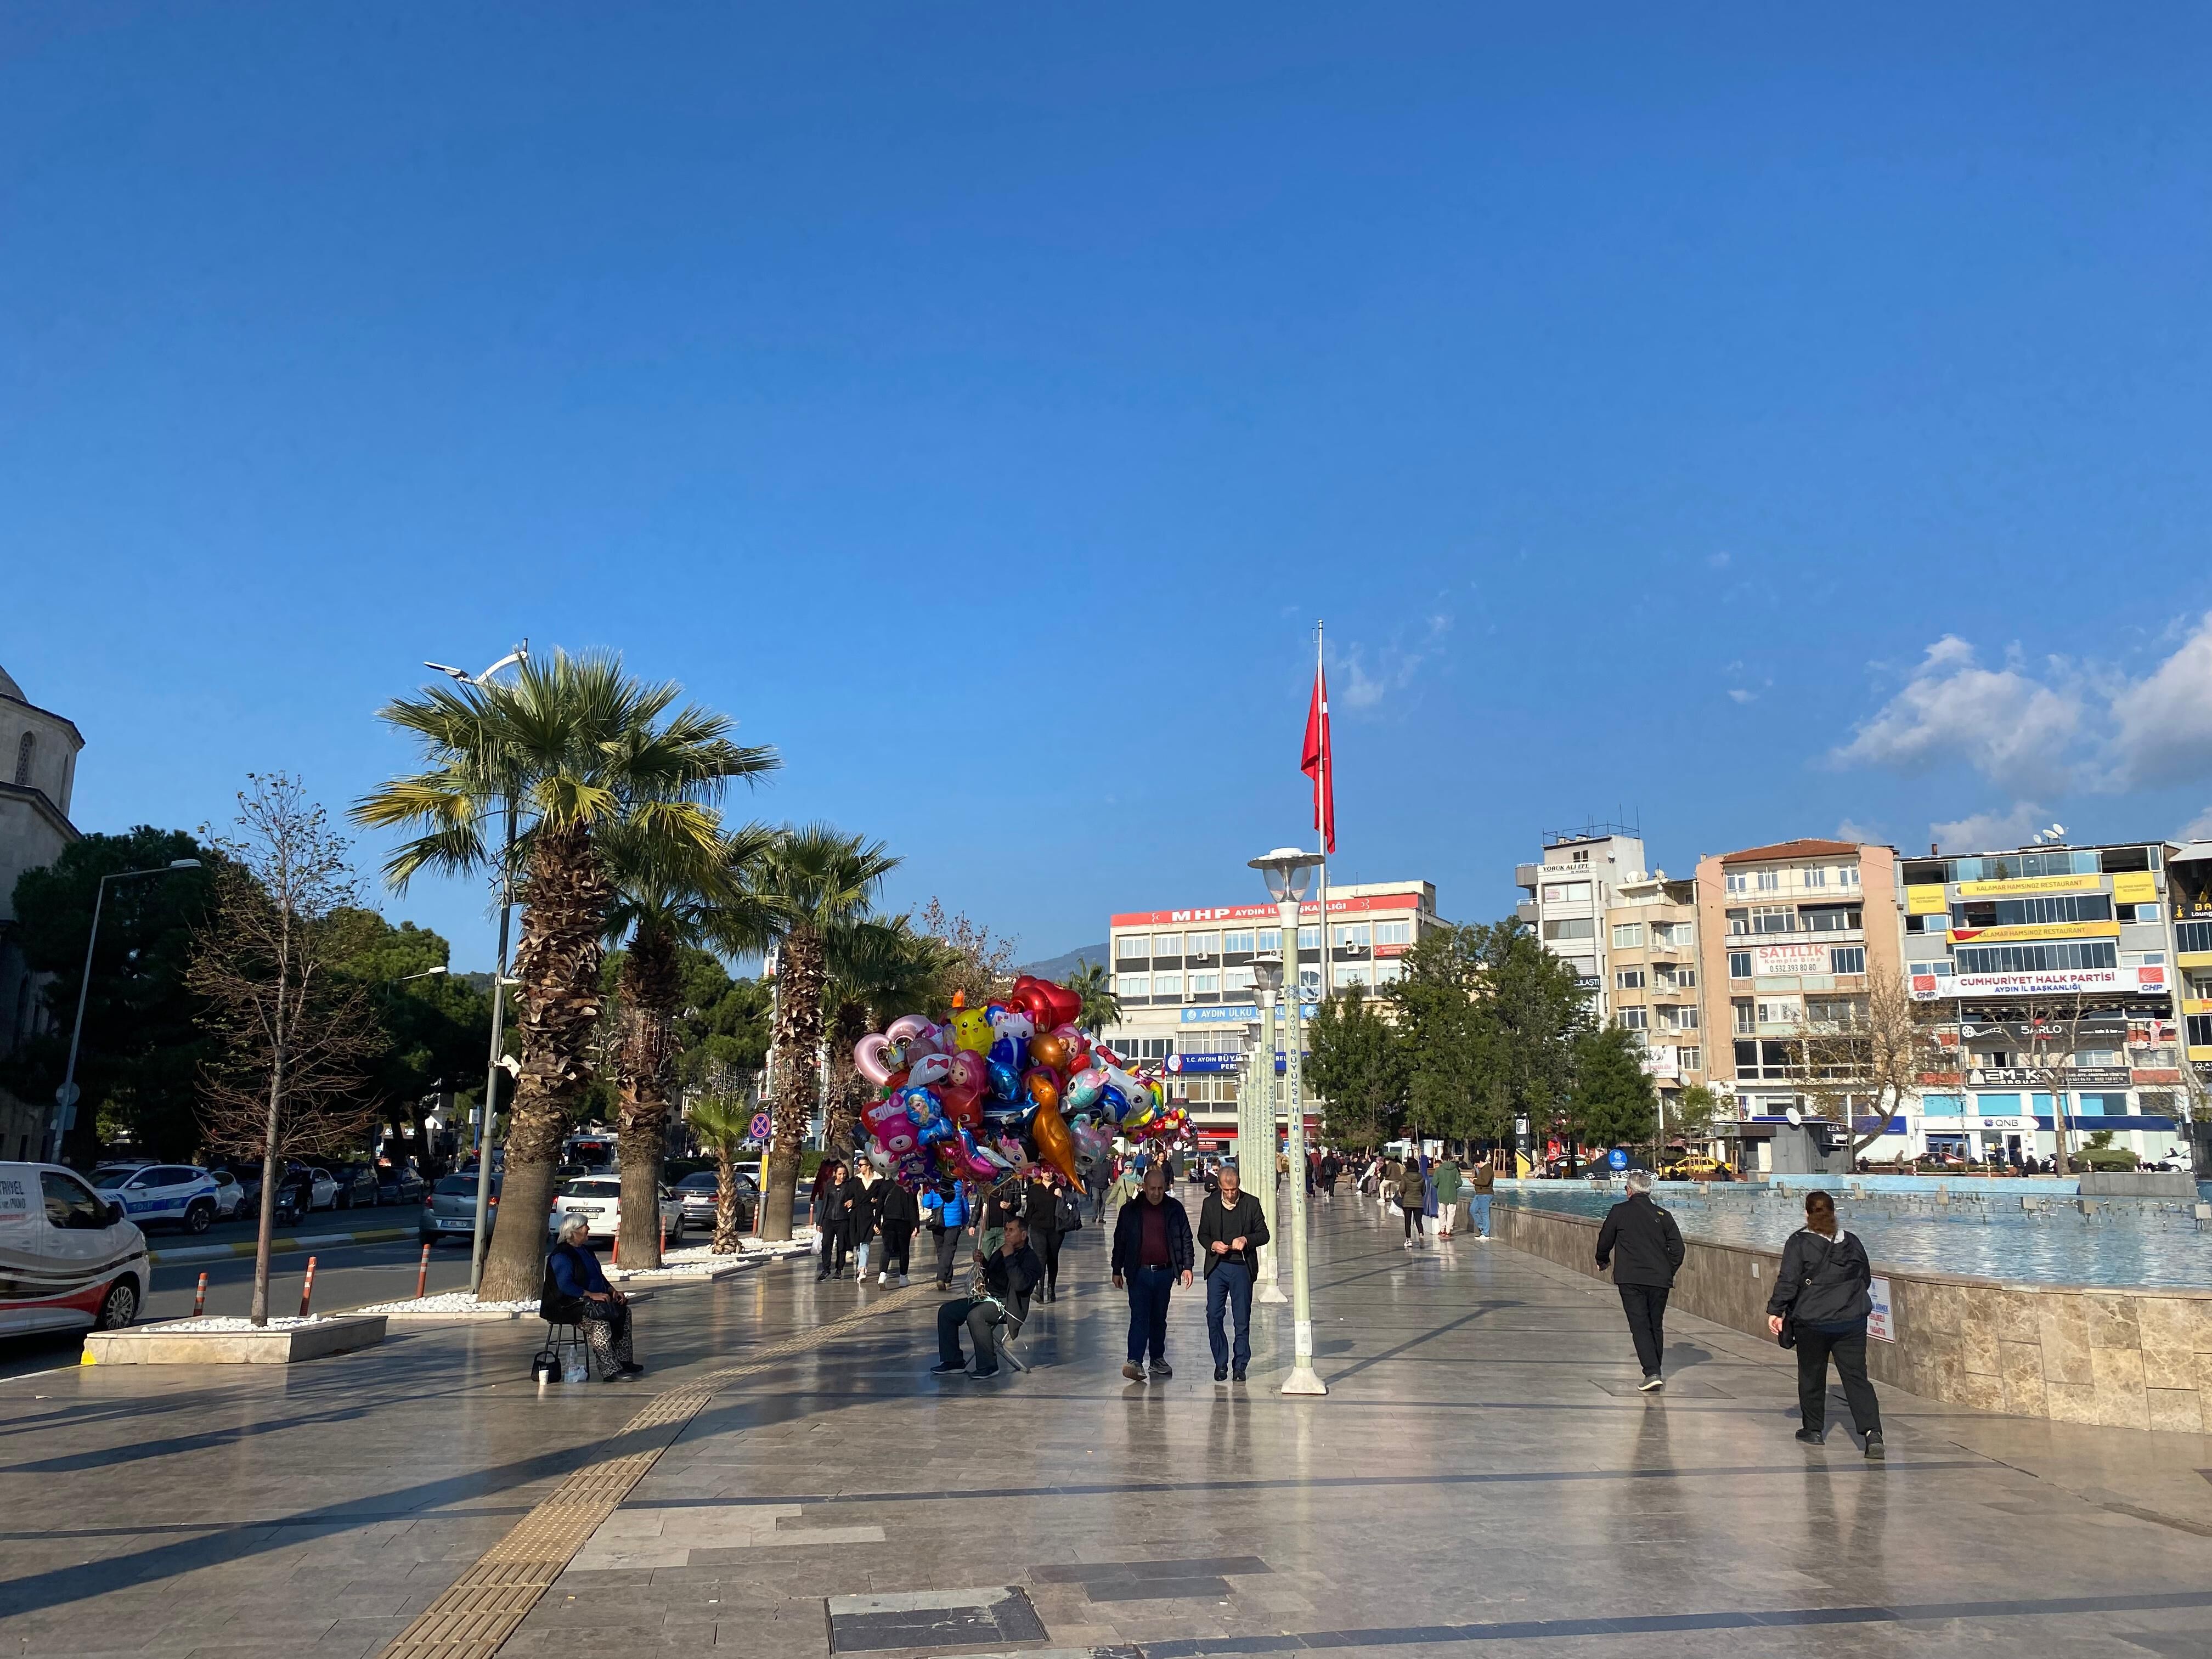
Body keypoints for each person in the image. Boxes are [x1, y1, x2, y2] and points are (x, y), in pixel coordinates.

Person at [1767, 1190, 1884, 1459]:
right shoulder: (1851, 1241)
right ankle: (1873, 1433)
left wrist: (1776, 1311)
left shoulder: (1798, 1242)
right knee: (1856, 1377)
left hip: (1813, 1321)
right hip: (1851, 1320)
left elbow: (1788, 1280)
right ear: (1834, 1212)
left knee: (1812, 1374)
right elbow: (1864, 1277)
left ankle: (1814, 1430)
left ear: (1807, 1214)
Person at [1594, 1169, 1684, 1391]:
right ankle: (1656, 1370)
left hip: (1631, 1278)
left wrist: (1602, 1260)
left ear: (1629, 1191)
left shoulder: (1619, 1212)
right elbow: (1678, 1249)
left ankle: (1652, 1372)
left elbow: (1605, 1239)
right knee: (1655, 1324)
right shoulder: (1663, 1215)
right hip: (1659, 1279)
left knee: (1640, 1325)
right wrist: (1667, 1270)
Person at [930, 1215, 1042, 1379]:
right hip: (988, 1297)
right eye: (1006, 1230)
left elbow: (1020, 1285)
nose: (1007, 1234)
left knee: (976, 1316)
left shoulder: (1031, 1259)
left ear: (1024, 1235)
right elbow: (991, 1273)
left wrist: (1010, 1257)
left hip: (1009, 1305)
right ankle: (953, 1361)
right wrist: (982, 1261)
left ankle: (988, 1365)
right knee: (947, 1311)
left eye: (1012, 1231)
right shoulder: (1002, 1251)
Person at [1110, 1161, 1193, 1381]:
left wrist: (1187, 1267)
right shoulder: (1130, 1211)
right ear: (1144, 1188)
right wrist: (1116, 1269)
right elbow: (1120, 1241)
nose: (1156, 1193)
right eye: (1152, 1189)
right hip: (1139, 1273)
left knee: (1159, 1318)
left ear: (1165, 1187)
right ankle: (1135, 1361)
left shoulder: (1175, 1209)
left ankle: (1157, 1359)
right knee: (1139, 1316)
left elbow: (1186, 1238)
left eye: (1160, 1189)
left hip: (1165, 1273)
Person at [1196, 1160, 1269, 1383]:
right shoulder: (1209, 1205)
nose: (1230, 1194)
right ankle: (1220, 1363)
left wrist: (1246, 1240)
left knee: (1242, 1319)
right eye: (1226, 1190)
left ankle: (1240, 1365)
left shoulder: (1251, 1204)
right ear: (1219, 1186)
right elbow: (1202, 1234)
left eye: (1234, 1189)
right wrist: (1212, 1245)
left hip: (1241, 1268)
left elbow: (1264, 1234)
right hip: (1218, 1267)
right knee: (1214, 1315)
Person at [546, 1214, 642, 1382]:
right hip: (571, 1305)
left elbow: (598, 1276)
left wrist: (612, 1290)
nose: (588, 1229)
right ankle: (610, 1370)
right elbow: (565, 1286)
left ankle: (624, 1361)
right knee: (600, 1323)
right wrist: (591, 1295)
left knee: (624, 1312)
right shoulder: (562, 1255)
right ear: (573, 1232)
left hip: (593, 1302)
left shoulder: (586, 1250)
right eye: (585, 1226)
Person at [1020, 1169, 1064, 1304]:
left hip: (1055, 1229)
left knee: (1052, 1258)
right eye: (1045, 1170)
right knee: (1040, 1257)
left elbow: (1071, 1204)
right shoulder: (1034, 1189)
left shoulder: (1059, 1187)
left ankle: (1051, 1288)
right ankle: (1039, 1289)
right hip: (1037, 1228)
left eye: (1051, 1171)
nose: (1048, 1173)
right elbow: (1029, 1210)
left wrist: (1062, 1196)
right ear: (1041, 1173)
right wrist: (1023, 1227)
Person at [877, 1175, 919, 1286]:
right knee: (904, 1250)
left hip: (888, 1220)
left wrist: (877, 1222)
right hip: (904, 1221)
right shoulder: (908, 1185)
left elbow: (880, 1204)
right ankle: (903, 1278)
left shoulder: (886, 1184)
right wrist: (915, 1225)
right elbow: (912, 1205)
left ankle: (882, 1275)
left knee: (886, 1249)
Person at [927, 1180, 969, 1290]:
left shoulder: (934, 1184)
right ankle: (942, 1277)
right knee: (949, 1251)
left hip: (938, 1222)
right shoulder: (960, 1185)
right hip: (954, 1222)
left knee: (941, 1251)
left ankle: (947, 1278)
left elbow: (926, 1204)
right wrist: (965, 1221)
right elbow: (964, 1205)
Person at [845, 1160, 879, 1282]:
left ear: (869, 1166)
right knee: (859, 1245)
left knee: (866, 1243)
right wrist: (852, 1202)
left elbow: (882, 1198)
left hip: (870, 1215)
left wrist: (876, 1202)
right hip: (856, 1215)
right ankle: (861, 1268)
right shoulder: (855, 1181)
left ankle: (863, 1269)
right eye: (858, 1165)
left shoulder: (878, 1181)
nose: (859, 1167)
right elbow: (849, 1195)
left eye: (861, 1165)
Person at [815, 1159, 850, 1280]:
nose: (842, 1176)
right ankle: (826, 1269)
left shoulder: (850, 1185)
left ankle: (839, 1269)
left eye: (844, 1174)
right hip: (829, 1219)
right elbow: (825, 1203)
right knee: (826, 1244)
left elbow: (856, 1197)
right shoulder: (830, 1185)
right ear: (835, 1173)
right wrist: (820, 1221)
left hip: (843, 1219)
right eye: (840, 1174)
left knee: (842, 1245)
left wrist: (853, 1201)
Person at [1396, 1154, 1427, 1249]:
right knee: (1419, 1221)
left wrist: (1401, 1194)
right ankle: (1421, 1235)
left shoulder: (1405, 1176)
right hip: (1418, 1202)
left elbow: (1402, 1189)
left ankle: (1409, 1240)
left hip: (1407, 1202)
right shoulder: (1421, 1177)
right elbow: (1424, 1191)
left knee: (1408, 1221)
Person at [1434, 1155, 1463, 1240]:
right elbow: (1460, 1182)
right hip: (1452, 1194)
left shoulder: (1439, 1170)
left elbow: (1435, 1183)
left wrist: (1441, 1187)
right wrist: (1454, 1187)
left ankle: (1442, 1230)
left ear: (1442, 1159)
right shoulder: (1455, 1170)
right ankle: (1448, 1231)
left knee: (1442, 1212)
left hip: (1442, 1194)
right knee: (1451, 1213)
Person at [1467, 1155, 1495, 1241]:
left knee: (1484, 1213)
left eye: (1476, 1165)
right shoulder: (1483, 1169)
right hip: (1480, 1194)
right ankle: (1482, 1227)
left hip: (1485, 1194)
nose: (1476, 1166)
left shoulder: (1487, 1169)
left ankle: (1486, 1233)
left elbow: (1485, 1182)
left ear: (1480, 1162)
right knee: (1473, 1210)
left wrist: (1474, 1181)